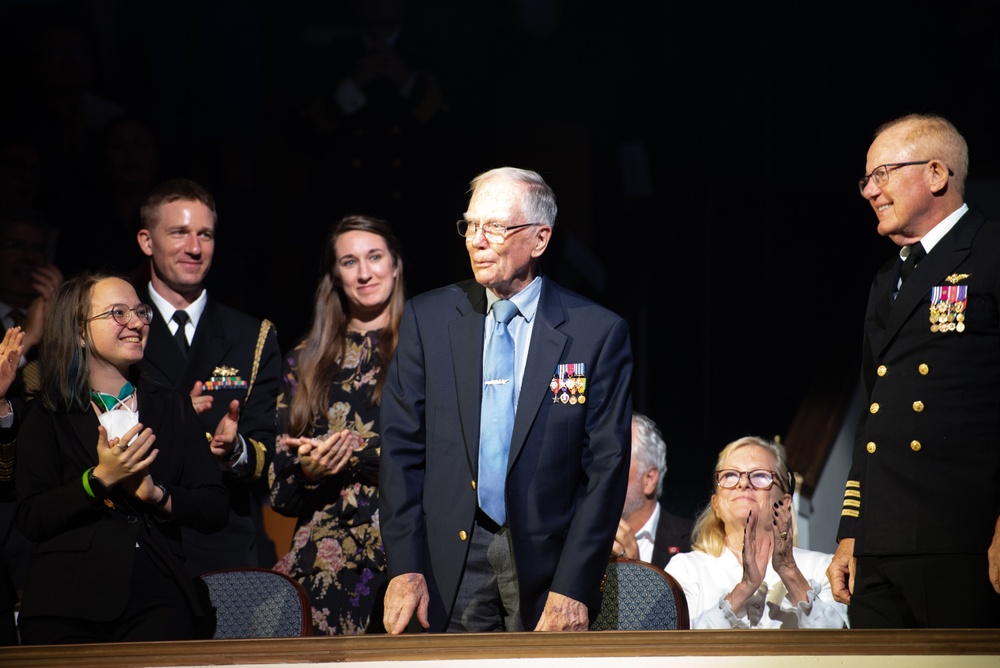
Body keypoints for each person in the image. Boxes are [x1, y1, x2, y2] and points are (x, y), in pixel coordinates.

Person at [378, 166, 634, 633]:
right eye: (471, 225)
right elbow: (400, 452)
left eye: (494, 227)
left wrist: (575, 585)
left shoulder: (596, 333)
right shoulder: (428, 320)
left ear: (539, 239)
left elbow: (607, 469)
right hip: (452, 554)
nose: (477, 240)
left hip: (548, 560)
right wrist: (405, 565)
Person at [826, 113, 1000, 628]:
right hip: (881, 543)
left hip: (962, 537)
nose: (869, 191)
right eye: (866, 179)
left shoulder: (991, 254)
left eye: (882, 174)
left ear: (936, 174)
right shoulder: (888, 278)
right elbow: (875, 418)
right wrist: (852, 531)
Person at [14, 273, 229, 644]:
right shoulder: (50, 411)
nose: (135, 323)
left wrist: (155, 495)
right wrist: (97, 480)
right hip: (66, 603)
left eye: (140, 312)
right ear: (80, 333)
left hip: (158, 598)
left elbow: (214, 506)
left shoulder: (172, 406)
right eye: (117, 313)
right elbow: (32, 516)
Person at [134, 177, 281, 579]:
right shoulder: (117, 325)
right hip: (138, 540)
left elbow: (267, 452)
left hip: (224, 543)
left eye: (205, 235)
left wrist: (234, 450)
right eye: (179, 233)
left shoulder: (251, 335)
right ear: (147, 241)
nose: (194, 248)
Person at [269, 214, 404, 635]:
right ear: (335, 275)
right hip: (323, 562)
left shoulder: (427, 352)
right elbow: (279, 490)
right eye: (349, 262)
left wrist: (352, 454)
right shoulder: (305, 362)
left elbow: (445, 457)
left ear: (395, 264)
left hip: (407, 556)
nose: (364, 273)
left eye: (374, 257)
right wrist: (309, 470)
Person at [665, 436, 847, 629]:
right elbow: (677, 649)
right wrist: (744, 588)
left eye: (760, 476)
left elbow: (842, 647)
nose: (743, 483)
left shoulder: (822, 568)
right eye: (730, 475)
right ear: (716, 504)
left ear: (785, 503)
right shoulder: (686, 569)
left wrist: (789, 571)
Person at [611, 412, 692, 568]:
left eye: (617, 464)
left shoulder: (694, 541)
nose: (604, 476)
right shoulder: (579, 538)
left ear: (649, 479)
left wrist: (635, 571)